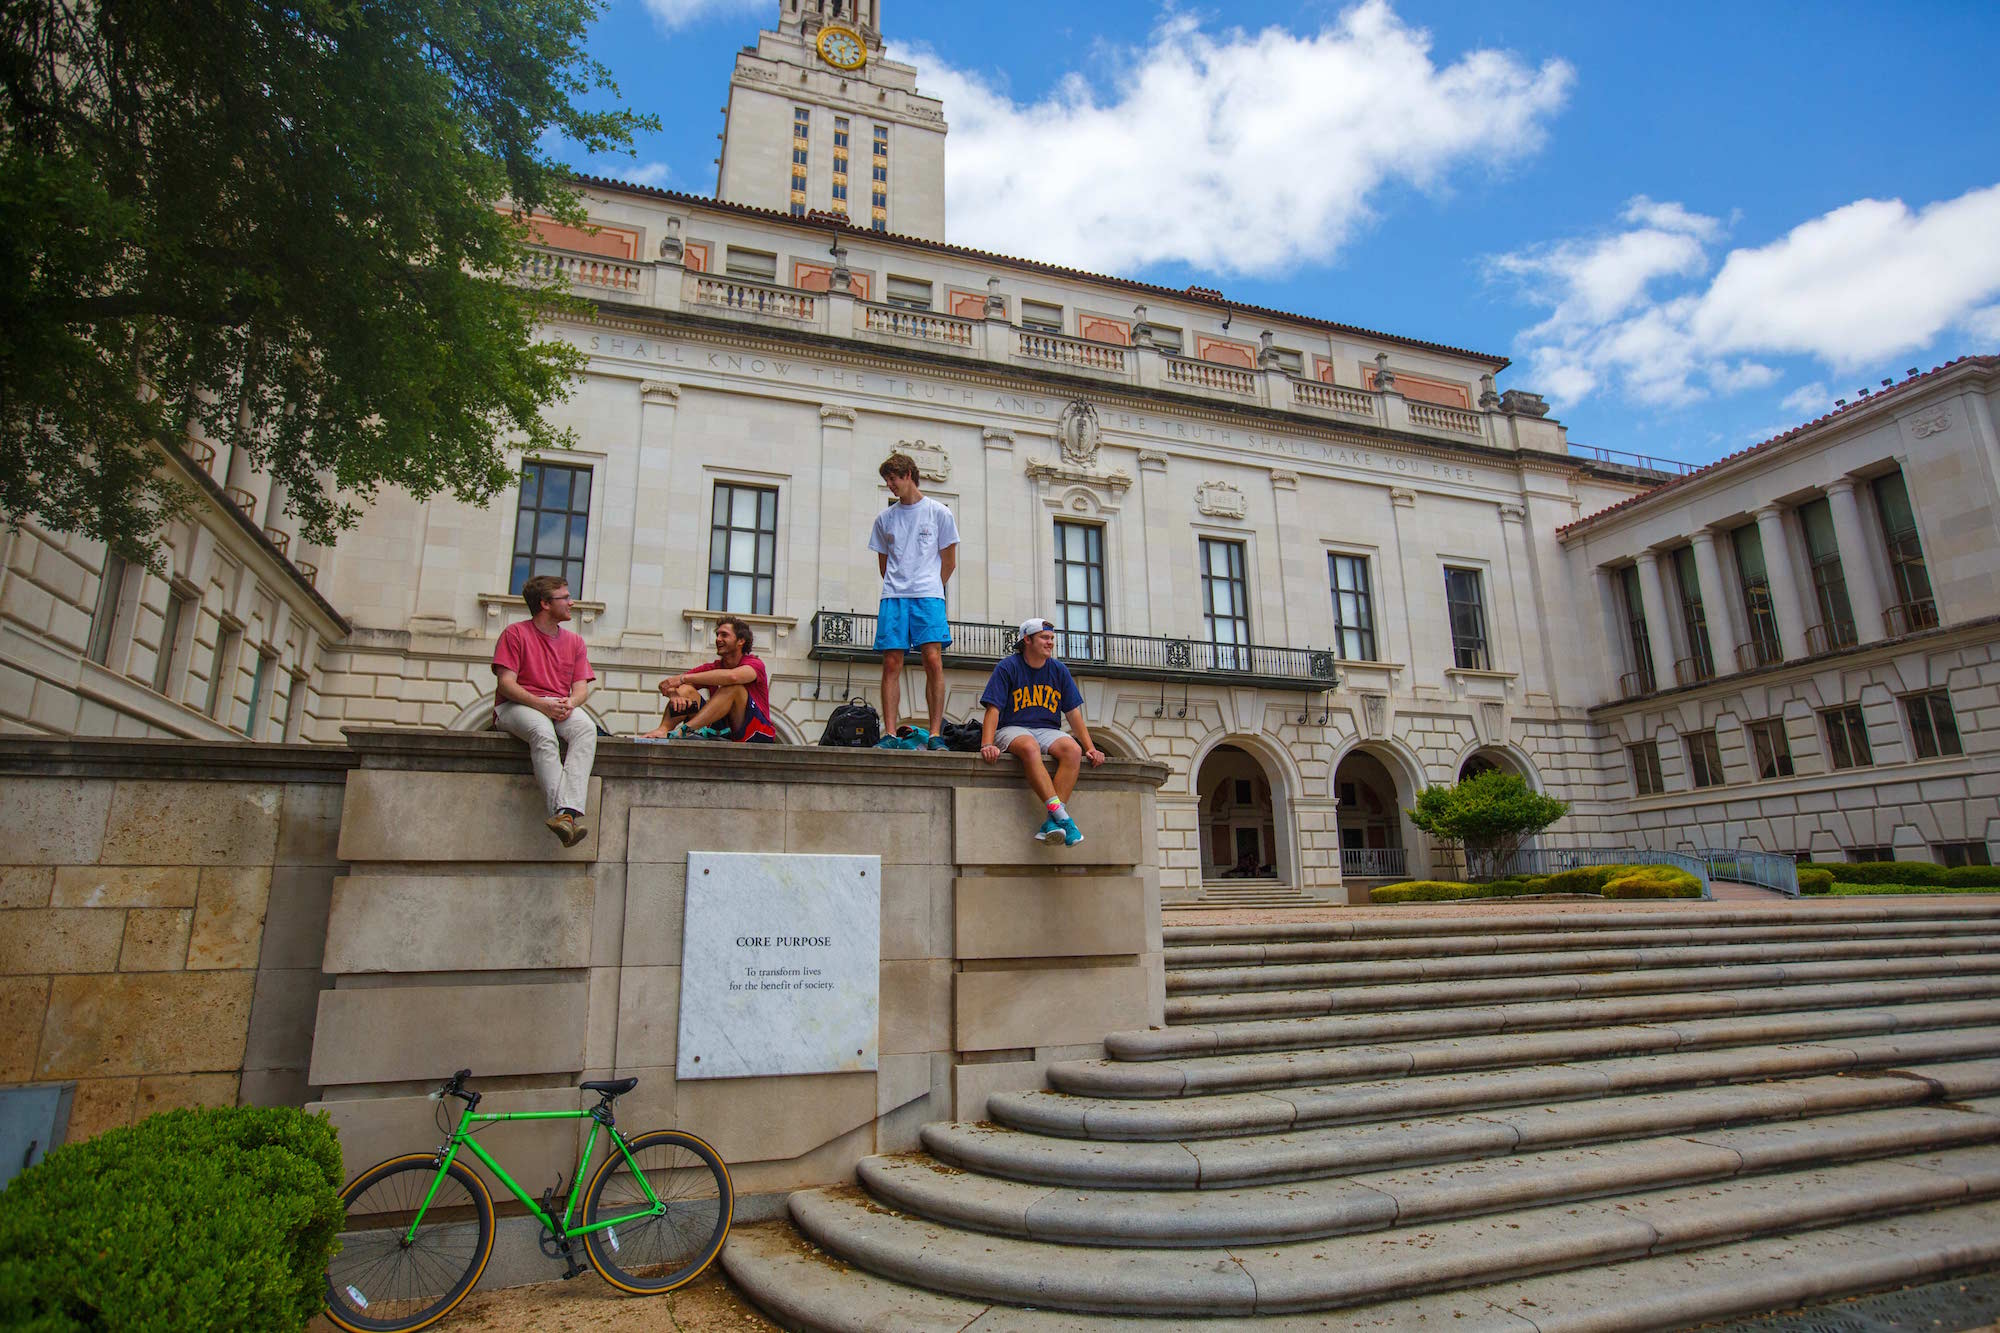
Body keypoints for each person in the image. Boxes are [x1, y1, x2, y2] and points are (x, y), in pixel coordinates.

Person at [978, 617, 1106, 846]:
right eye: (1044, 638)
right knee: (1029, 746)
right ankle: (1064, 819)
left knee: (1072, 750)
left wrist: (1090, 748)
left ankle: (1052, 821)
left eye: (1051, 638)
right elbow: (993, 709)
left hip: (1048, 729)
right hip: (1012, 728)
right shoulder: (1008, 667)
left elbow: (1073, 714)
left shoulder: (1058, 670)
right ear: (1027, 640)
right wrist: (987, 743)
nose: (1050, 643)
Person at [492, 575, 597, 847]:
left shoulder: (575, 641)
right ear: (545, 604)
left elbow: (581, 689)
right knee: (542, 731)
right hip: (515, 706)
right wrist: (542, 705)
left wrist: (569, 704)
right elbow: (506, 684)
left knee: (586, 728)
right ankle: (563, 814)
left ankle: (567, 814)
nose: (572, 602)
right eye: (565, 598)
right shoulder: (514, 633)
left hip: (558, 704)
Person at [868, 452, 958, 750]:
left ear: (908, 475)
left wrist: (931, 585)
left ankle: (934, 733)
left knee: (932, 659)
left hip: (928, 596)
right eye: (887, 480)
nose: (890, 485)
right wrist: (901, 584)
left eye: (893, 478)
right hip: (894, 596)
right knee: (891, 663)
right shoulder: (884, 519)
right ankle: (890, 733)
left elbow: (949, 561)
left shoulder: (939, 513)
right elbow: (884, 566)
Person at [641, 616, 778, 743]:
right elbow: (666, 685)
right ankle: (663, 730)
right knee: (685, 690)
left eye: (724, 635)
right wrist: (674, 694)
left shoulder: (755, 664)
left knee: (733, 687)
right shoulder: (713, 667)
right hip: (722, 729)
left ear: (741, 641)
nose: (718, 639)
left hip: (757, 733)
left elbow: (733, 676)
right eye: (717, 635)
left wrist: (683, 678)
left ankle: (686, 730)